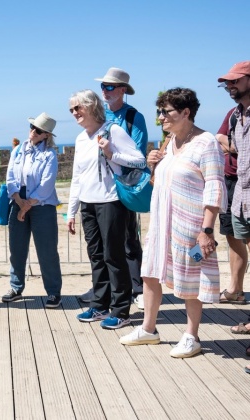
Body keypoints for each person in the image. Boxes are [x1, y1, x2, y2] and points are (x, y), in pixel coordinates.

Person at [120, 88, 226, 358]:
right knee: (150, 272)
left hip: (190, 224)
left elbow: (214, 187)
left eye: (165, 112)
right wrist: (154, 164)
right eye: (159, 112)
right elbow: (161, 182)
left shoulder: (205, 142)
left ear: (186, 112)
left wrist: (206, 230)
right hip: (161, 222)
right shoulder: (168, 142)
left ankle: (192, 335)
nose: (160, 118)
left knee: (191, 279)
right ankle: (149, 329)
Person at [66, 90, 145, 330]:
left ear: (91, 106)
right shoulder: (81, 139)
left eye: (77, 108)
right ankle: (100, 305)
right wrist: (72, 211)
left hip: (111, 201)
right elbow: (77, 177)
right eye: (71, 110)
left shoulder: (113, 130)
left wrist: (112, 152)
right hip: (88, 204)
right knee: (96, 256)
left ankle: (121, 311)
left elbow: (139, 160)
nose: (74, 113)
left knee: (114, 255)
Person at [79, 68, 149, 310]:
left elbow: (138, 154)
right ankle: (106, 289)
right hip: (102, 189)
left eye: (110, 87)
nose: (105, 91)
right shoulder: (101, 115)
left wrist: (112, 153)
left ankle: (137, 287)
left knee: (128, 239)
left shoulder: (132, 117)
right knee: (106, 246)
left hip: (124, 186)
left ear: (122, 91)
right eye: (103, 86)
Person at [2, 113, 63, 308]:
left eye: (38, 130)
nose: (32, 132)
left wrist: (27, 205)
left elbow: (46, 184)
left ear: (46, 135)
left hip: (42, 206)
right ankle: (16, 287)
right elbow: (10, 177)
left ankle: (53, 292)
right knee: (16, 249)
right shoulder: (18, 150)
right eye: (32, 127)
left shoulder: (50, 155)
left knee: (47, 251)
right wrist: (20, 203)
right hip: (18, 201)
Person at [216, 107, 247, 304]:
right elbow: (219, 136)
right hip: (229, 180)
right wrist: (233, 145)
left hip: (246, 182)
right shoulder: (234, 112)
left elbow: (236, 146)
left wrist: (232, 146)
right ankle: (236, 290)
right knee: (232, 233)